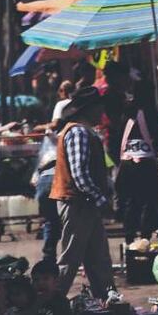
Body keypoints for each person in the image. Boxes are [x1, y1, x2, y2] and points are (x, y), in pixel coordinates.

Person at [49, 87, 115, 299]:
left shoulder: (81, 131)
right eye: (99, 107)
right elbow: (80, 175)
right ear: (90, 109)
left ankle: (107, 302)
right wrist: (101, 199)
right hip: (78, 203)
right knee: (70, 260)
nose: (102, 112)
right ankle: (51, 303)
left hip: (85, 203)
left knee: (98, 259)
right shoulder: (79, 132)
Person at [116, 80, 158, 244]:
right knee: (149, 199)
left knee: (131, 200)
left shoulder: (126, 113)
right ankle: (145, 236)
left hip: (126, 162)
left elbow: (117, 137)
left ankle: (129, 236)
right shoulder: (150, 112)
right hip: (146, 161)